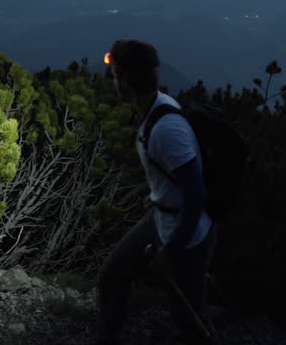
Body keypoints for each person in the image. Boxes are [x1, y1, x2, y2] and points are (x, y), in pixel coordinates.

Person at [97, 38, 217, 345]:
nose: (112, 81)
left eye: (115, 74)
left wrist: (172, 249)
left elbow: (196, 194)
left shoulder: (166, 129)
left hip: (187, 233)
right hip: (164, 216)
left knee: (189, 318)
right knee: (114, 273)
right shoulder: (155, 110)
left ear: (124, 79)